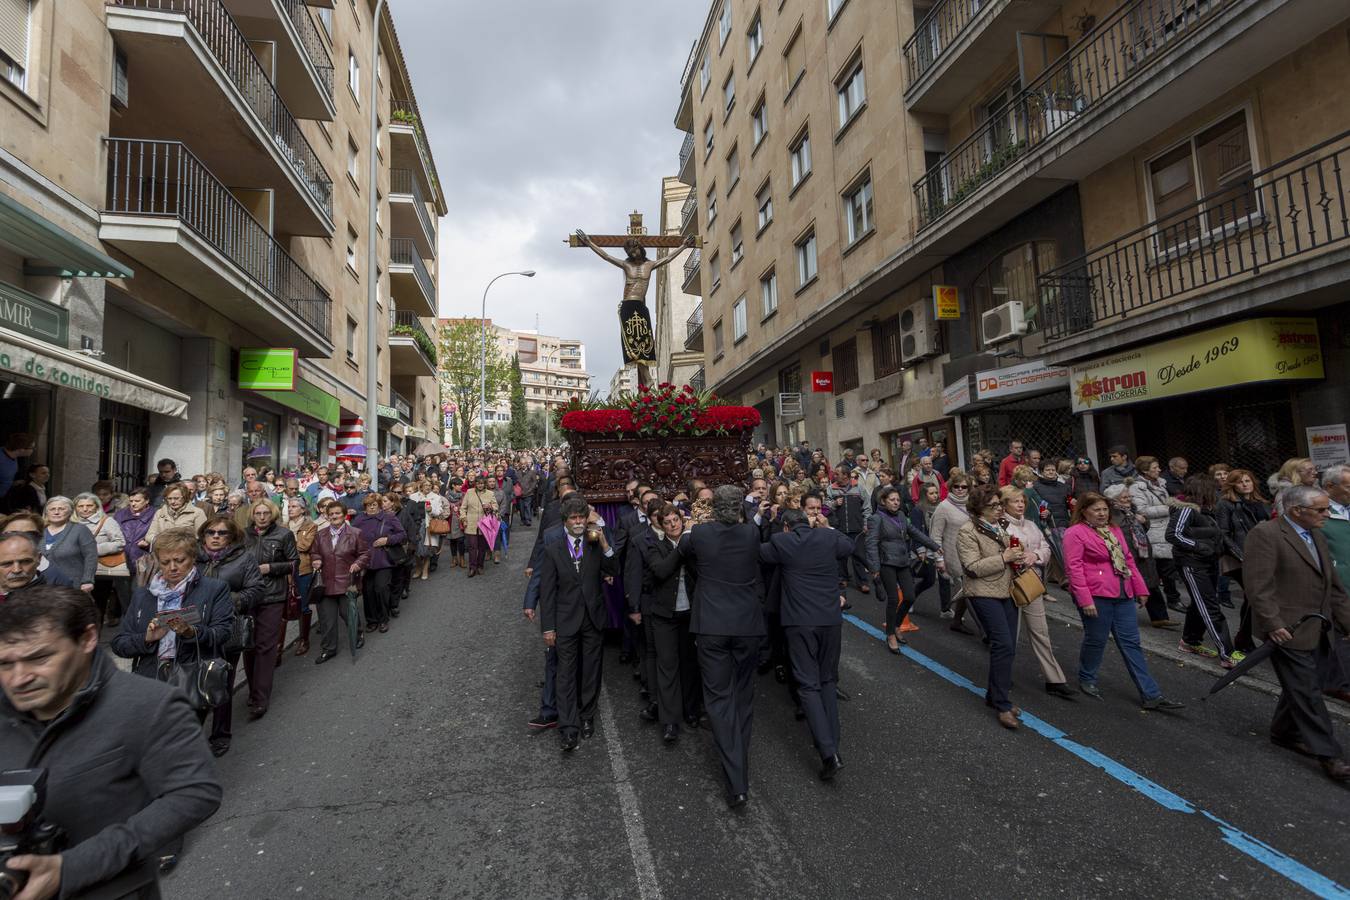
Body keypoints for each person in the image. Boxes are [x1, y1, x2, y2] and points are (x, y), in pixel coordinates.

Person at [0, 584, 222, 897]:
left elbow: (196, 793)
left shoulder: (150, 704)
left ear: (87, 639)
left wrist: (74, 867)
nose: (18, 678)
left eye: (39, 658)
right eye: (5, 663)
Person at [111, 528, 233, 872]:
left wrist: (193, 632)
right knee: (146, 757)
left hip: (189, 680)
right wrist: (146, 639)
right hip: (149, 682)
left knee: (169, 758)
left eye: (180, 560)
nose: (173, 567)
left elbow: (224, 634)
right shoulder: (142, 595)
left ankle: (166, 837)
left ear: (192, 559)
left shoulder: (212, 589)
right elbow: (120, 642)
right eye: (165, 562)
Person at [1242, 485, 1350, 781]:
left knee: (1306, 682)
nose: (1328, 514)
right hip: (1286, 628)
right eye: (1321, 510)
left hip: (1319, 626)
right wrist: (1273, 624)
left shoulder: (1316, 533)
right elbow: (1257, 587)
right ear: (1295, 511)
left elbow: (1334, 586)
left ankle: (1284, 731)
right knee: (1307, 691)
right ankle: (1331, 756)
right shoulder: (1266, 534)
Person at [674, 486, 768, 807]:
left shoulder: (699, 534)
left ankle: (736, 779)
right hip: (746, 625)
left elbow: (684, 546)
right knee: (743, 695)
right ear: (739, 507)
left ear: (714, 508)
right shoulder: (750, 534)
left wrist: (692, 522)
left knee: (717, 698)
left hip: (712, 625)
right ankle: (739, 761)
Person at [1062, 492, 1184, 710]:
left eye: (1105, 509)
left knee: (1131, 643)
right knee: (1096, 640)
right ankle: (1087, 677)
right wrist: (1085, 600)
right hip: (1097, 595)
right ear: (1083, 511)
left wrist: (1140, 588)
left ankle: (1151, 695)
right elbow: (1074, 568)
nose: (1102, 513)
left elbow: (1128, 560)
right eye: (1096, 509)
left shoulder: (1114, 530)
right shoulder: (1075, 533)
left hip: (1123, 592)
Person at [759, 509, 854, 779]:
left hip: (799, 622)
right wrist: (826, 526)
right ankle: (832, 745)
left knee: (808, 684)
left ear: (787, 526)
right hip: (830, 620)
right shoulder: (826, 538)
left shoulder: (782, 541)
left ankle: (828, 753)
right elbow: (848, 546)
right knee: (827, 681)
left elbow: (759, 554)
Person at [537, 496, 618, 753]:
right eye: (573, 518)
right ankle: (568, 727)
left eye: (582, 517)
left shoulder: (595, 545)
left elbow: (613, 568)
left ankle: (586, 717)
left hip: (593, 618)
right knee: (565, 674)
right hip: (565, 621)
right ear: (565, 521)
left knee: (591, 671)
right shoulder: (553, 549)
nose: (578, 522)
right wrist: (548, 628)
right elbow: (547, 592)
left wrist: (604, 542)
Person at [630, 504, 702, 742]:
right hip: (663, 616)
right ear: (661, 524)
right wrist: (681, 548)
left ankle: (691, 711)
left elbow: (699, 571)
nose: (674, 525)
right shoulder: (655, 546)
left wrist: (687, 547)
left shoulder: (693, 544)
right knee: (667, 666)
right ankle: (670, 720)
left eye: (677, 520)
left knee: (690, 664)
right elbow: (660, 571)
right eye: (668, 521)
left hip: (690, 613)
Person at [955, 484, 1025, 729]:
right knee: (1003, 643)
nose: (998, 509)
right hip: (983, 593)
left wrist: (1018, 555)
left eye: (999, 504)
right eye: (992, 505)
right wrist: (1004, 558)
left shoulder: (1002, 526)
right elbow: (972, 567)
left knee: (1008, 646)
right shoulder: (967, 531)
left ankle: (994, 696)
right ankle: (1003, 704)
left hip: (1007, 590)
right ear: (978, 508)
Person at [197, 516, 265, 757]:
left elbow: (256, 589)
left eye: (222, 533)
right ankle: (188, 734)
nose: (215, 536)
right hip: (195, 630)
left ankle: (220, 733)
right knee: (191, 680)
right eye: (211, 532)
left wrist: (232, 601)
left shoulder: (243, 558)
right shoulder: (193, 557)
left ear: (232, 536)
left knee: (221, 680)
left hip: (227, 628)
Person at [1001, 486, 1076, 699]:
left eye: (1022, 501)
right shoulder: (1000, 525)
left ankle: (1055, 679)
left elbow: (1046, 547)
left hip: (1032, 583)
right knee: (1009, 634)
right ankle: (1003, 675)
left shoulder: (1032, 524)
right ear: (1005, 504)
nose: (1020, 505)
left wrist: (1035, 555)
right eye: (1015, 501)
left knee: (1041, 632)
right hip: (1010, 584)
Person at [1169, 474, 1240, 667]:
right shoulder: (1187, 509)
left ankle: (1190, 641)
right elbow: (1173, 534)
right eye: (1213, 490)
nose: (1216, 493)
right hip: (1192, 563)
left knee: (1200, 602)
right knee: (1210, 607)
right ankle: (1228, 654)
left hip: (1208, 562)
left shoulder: (1207, 510)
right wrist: (1198, 547)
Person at [866, 486, 942, 654]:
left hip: (902, 561)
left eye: (898, 500)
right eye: (892, 500)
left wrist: (935, 546)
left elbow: (914, 532)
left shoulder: (901, 515)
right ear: (884, 501)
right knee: (893, 599)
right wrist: (874, 568)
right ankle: (891, 634)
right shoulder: (876, 518)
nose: (896, 503)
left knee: (909, 596)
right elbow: (871, 544)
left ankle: (897, 625)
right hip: (886, 563)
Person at [243, 499, 297, 720]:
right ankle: (253, 689)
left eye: (266, 513)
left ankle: (260, 698)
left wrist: (271, 568)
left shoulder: (283, 535)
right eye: (258, 513)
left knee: (266, 646)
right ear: (253, 515)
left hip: (272, 595)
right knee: (248, 645)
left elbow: (293, 562)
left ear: (272, 514)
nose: (262, 516)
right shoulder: (244, 535)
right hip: (247, 597)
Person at [1102, 484, 1175, 629]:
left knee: (1152, 583)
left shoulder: (1130, 511)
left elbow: (1142, 528)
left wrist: (1144, 521)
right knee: (1130, 584)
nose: (1129, 498)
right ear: (1114, 499)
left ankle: (1160, 617)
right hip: (1127, 553)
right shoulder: (1113, 514)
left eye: (1129, 496)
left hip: (1142, 552)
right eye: (1124, 497)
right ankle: (1119, 617)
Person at [310, 501, 371, 664]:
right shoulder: (320, 534)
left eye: (337, 513)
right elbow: (314, 552)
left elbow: (365, 553)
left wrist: (358, 563)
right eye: (331, 514)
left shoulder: (355, 533)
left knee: (348, 614)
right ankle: (329, 649)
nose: (334, 516)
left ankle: (357, 635)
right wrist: (315, 560)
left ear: (344, 515)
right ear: (327, 516)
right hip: (326, 582)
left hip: (347, 581)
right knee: (327, 620)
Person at [1129, 456, 1184, 613]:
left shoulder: (1160, 483)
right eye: (1155, 467)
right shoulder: (1136, 487)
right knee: (1161, 568)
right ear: (1145, 470)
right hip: (1153, 531)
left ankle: (1169, 601)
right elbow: (1141, 509)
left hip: (1166, 530)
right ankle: (1170, 600)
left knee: (1166, 567)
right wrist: (1169, 508)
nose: (1159, 470)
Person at [73, 492, 129, 628]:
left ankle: (94, 637)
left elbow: (120, 542)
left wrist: (93, 550)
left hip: (99, 571)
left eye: (89, 505)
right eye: (81, 506)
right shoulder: (70, 522)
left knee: (98, 606)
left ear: (96, 506)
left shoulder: (107, 521)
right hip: (75, 569)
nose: (85, 509)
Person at [353, 493, 405, 633]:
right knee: (368, 591)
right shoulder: (359, 520)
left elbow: (401, 534)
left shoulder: (389, 518)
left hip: (383, 560)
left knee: (381, 589)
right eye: (368, 505)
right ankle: (372, 620)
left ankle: (383, 619)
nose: (370, 508)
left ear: (379, 505)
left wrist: (387, 540)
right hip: (365, 562)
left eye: (374, 505)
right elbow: (351, 537)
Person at [931, 474, 973, 632]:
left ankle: (956, 621)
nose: (960, 490)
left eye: (964, 487)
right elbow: (935, 536)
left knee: (968, 590)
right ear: (951, 487)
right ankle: (987, 630)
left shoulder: (973, 504)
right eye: (957, 486)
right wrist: (939, 559)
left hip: (974, 553)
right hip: (954, 555)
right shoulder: (943, 507)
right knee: (971, 592)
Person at [41, 496, 97, 594]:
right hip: (42, 586)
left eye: (61, 509)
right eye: (52, 509)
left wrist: (87, 580)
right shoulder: (39, 531)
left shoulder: (80, 530)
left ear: (70, 512)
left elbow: (91, 556)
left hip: (72, 585)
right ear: (46, 512)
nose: (56, 512)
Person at [285, 495, 318, 657]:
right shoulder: (283, 526)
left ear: (302, 509)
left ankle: (304, 639)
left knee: (303, 604)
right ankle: (278, 646)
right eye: (289, 507)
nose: (290, 509)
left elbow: (304, 546)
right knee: (285, 606)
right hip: (285, 571)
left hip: (303, 569)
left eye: (294, 507)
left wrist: (286, 544)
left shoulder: (310, 525)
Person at [0, 531, 75, 600]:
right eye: (7, 564)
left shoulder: (58, 598)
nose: (16, 570)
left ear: (39, 559)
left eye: (25, 561)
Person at [146, 482, 208, 547]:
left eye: (176, 498)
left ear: (185, 497)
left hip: (187, 552)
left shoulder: (197, 513)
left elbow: (202, 536)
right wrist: (164, 542)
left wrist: (180, 543)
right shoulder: (160, 512)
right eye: (169, 499)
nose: (172, 502)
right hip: (163, 551)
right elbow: (149, 536)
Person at [460, 475, 496, 577]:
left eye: (482, 483)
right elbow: (463, 508)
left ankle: (480, 566)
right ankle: (472, 567)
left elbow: (496, 507)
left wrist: (490, 507)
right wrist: (463, 519)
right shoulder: (469, 492)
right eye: (478, 483)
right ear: (475, 483)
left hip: (485, 524)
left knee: (482, 547)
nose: (480, 485)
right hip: (470, 523)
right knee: (472, 547)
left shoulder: (490, 494)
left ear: (485, 484)